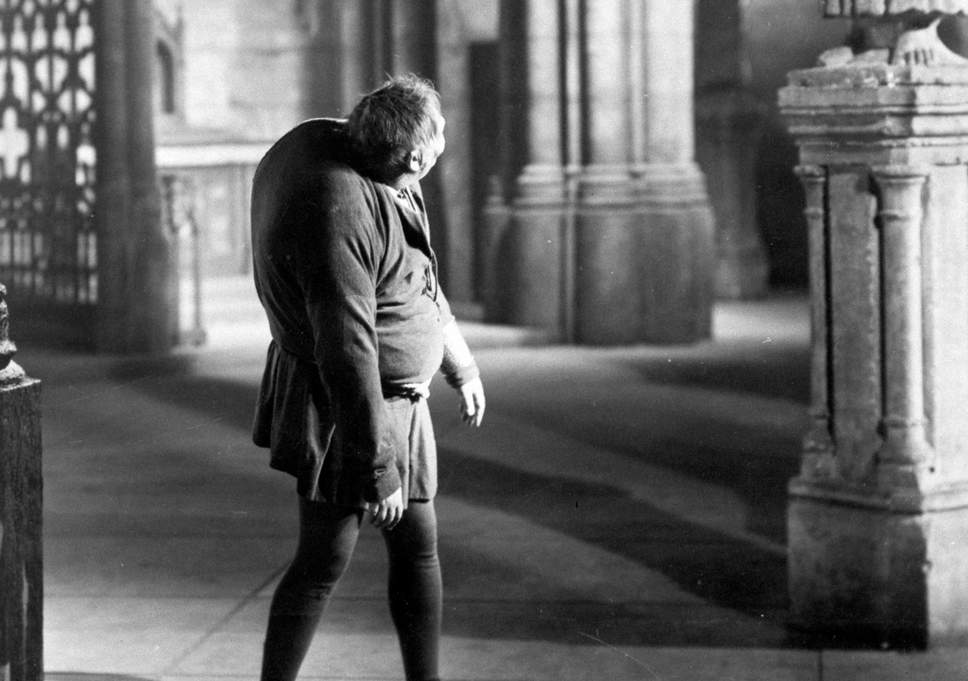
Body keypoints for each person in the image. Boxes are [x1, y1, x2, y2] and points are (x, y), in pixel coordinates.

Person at [250, 74, 485, 681]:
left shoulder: (385, 167)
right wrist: (377, 470)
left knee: (418, 547)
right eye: (439, 137)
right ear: (415, 157)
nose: (444, 139)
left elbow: (418, 279)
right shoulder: (341, 207)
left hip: (397, 402)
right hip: (348, 409)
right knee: (324, 560)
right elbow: (346, 350)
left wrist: (458, 360)